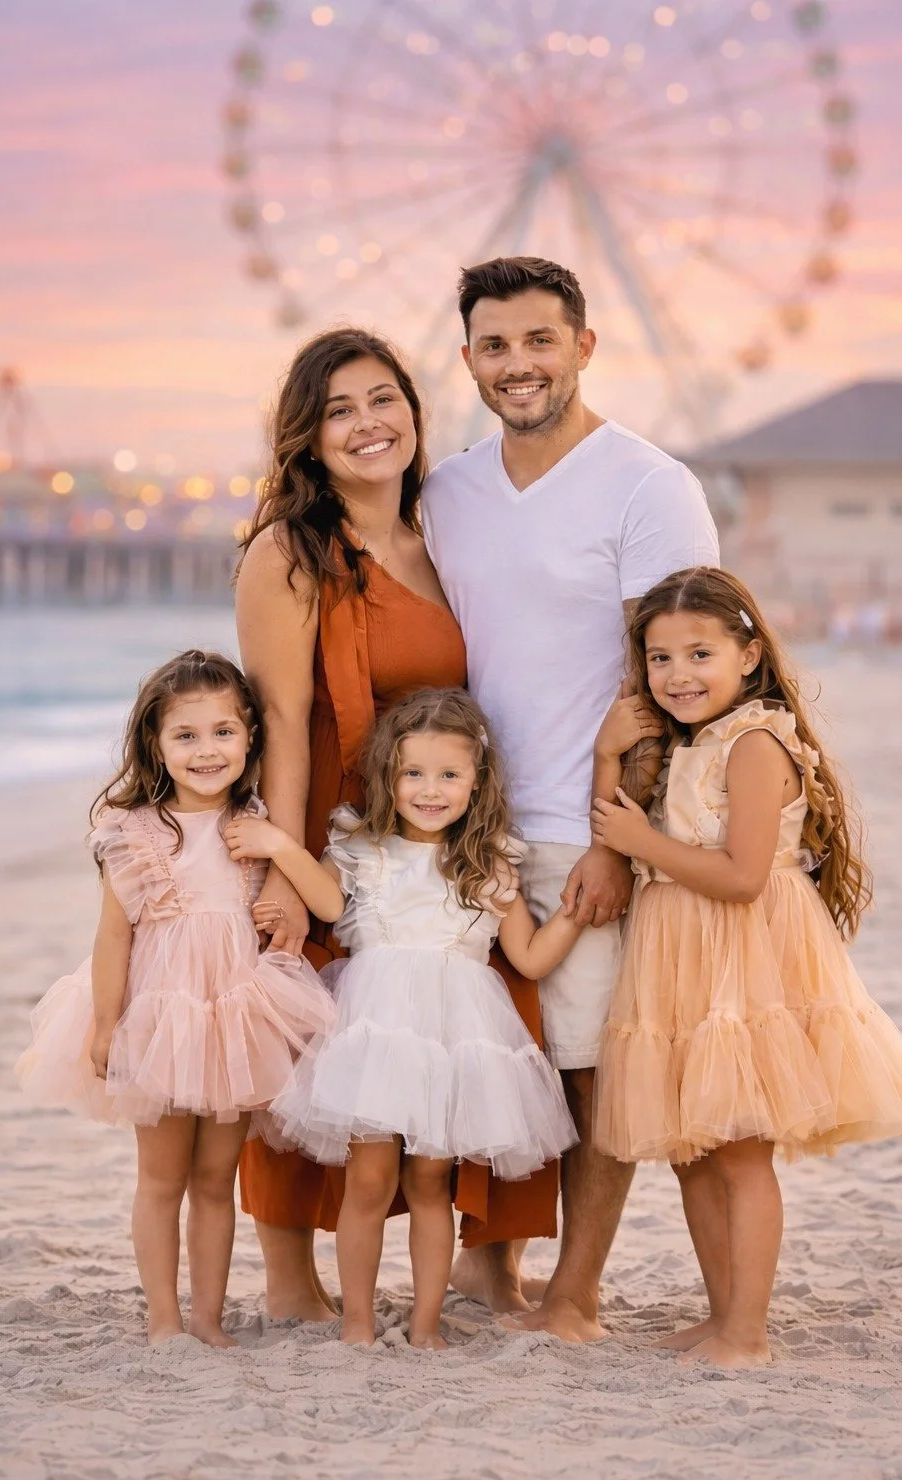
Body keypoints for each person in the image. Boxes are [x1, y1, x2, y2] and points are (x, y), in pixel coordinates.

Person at [421, 255, 721, 1340]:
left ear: (584, 346)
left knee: (591, 1071)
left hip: (586, 829)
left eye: (539, 340)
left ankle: (577, 1291)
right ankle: (488, 1267)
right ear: (467, 361)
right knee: (485, 1061)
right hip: (469, 832)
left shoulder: (650, 485)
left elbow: (671, 681)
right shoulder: (448, 489)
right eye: (494, 346)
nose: (518, 364)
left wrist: (618, 839)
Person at [234, 327, 559, 1324]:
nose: (367, 424)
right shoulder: (290, 553)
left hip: (438, 816)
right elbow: (283, 720)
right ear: (307, 437)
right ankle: (293, 1277)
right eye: (339, 410)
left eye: (383, 400)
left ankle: (486, 1261)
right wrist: (286, 869)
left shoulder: (439, 537)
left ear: (415, 415)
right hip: (333, 816)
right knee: (312, 1039)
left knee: (480, 1028)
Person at [590, 567, 902, 1367]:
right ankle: (722, 1316)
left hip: (742, 955)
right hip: (680, 952)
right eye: (660, 659)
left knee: (741, 1150)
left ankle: (746, 1332)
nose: (678, 676)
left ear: (749, 655)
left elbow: (744, 877)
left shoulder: (754, 743)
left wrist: (644, 846)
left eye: (700, 653)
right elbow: (607, 825)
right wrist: (608, 754)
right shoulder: (686, 745)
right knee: (692, 1149)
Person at [226, 689, 579, 1348]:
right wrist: (279, 843)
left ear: (477, 782)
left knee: (430, 1181)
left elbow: (528, 957)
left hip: (457, 1036)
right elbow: (327, 904)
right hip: (377, 1030)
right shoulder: (365, 848)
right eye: (413, 773)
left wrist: (578, 913)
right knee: (368, 1178)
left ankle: (424, 1326)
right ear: (389, 776)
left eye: (450, 775)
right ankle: (358, 1324)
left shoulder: (487, 863)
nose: (430, 790)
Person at [15, 651, 335, 1346]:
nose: (206, 750)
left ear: (250, 735)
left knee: (217, 1179)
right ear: (155, 744)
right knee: (161, 1178)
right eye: (185, 736)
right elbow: (113, 938)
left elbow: (323, 900)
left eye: (223, 731)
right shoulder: (134, 831)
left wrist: (280, 844)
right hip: (157, 1016)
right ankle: (165, 1319)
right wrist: (106, 1025)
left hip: (233, 1018)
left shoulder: (255, 824)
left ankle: (209, 1320)